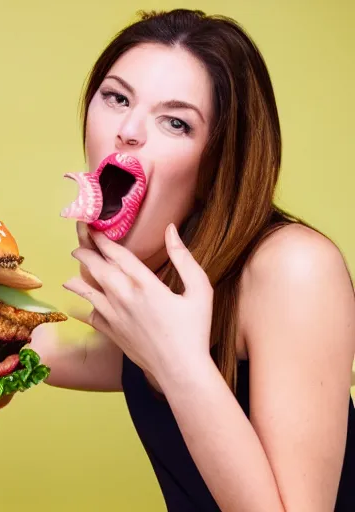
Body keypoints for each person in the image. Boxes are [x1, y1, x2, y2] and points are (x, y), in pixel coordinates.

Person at [30, 9, 355, 511]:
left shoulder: (296, 269)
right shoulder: (170, 262)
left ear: (215, 163)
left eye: (176, 122)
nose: (129, 130)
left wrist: (182, 363)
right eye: (117, 98)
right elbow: (120, 363)